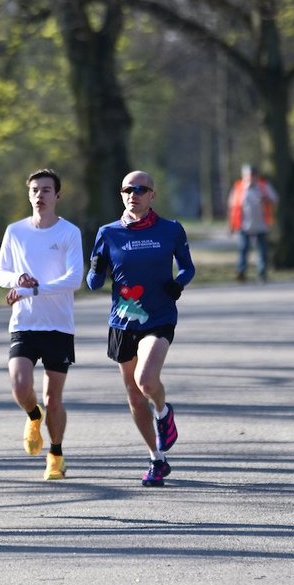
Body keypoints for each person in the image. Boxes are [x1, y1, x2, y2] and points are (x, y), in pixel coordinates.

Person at [87, 171, 196, 486]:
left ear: (152, 195)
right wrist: (95, 268)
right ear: (121, 194)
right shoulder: (107, 233)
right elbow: (93, 283)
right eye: (127, 189)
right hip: (122, 321)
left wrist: (178, 284)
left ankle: (162, 412)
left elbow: (188, 267)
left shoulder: (170, 229)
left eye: (140, 189)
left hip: (159, 316)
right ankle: (156, 459)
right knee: (135, 398)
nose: (133, 194)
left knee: (146, 380)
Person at [0, 169, 84, 480]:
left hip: (59, 326)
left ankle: (56, 454)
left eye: (46, 190)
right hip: (24, 322)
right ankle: (34, 416)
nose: (39, 195)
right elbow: (0, 273)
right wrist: (16, 279)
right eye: (34, 190)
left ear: (57, 195)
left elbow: (74, 279)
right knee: (20, 385)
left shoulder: (69, 233)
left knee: (53, 398)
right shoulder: (15, 231)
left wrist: (34, 290)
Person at [227, 163, 278, 283]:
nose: (250, 177)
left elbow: (275, 199)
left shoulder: (264, 186)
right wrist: (230, 225)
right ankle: (241, 272)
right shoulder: (238, 188)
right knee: (243, 249)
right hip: (243, 225)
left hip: (261, 224)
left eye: (253, 175)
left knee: (262, 251)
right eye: (248, 175)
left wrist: (265, 199)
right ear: (243, 176)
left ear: (256, 176)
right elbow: (232, 207)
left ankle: (262, 274)